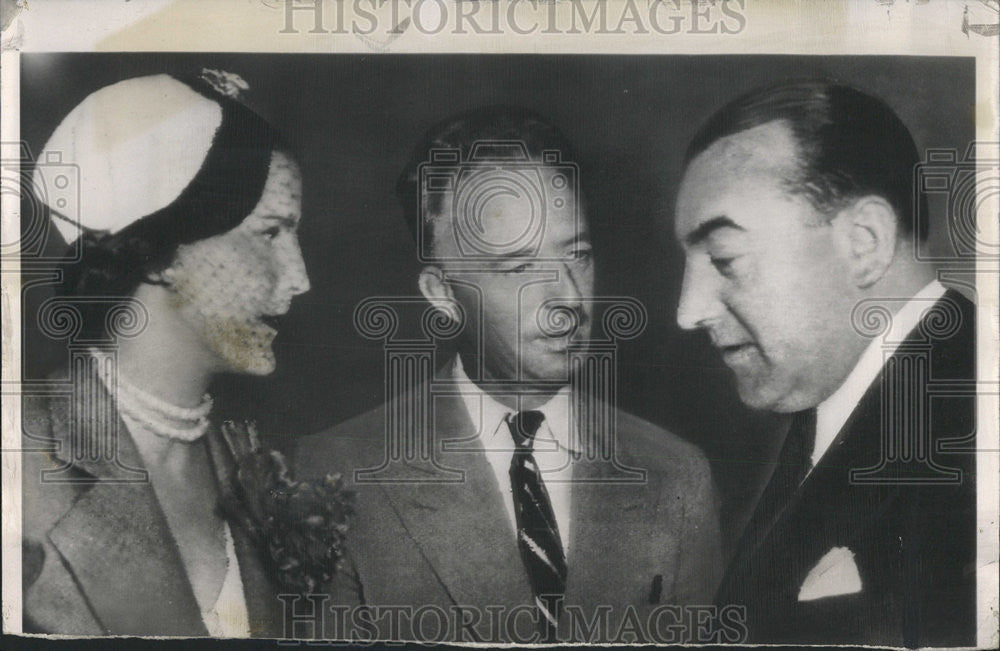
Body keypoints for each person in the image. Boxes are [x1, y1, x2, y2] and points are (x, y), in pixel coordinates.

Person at [293, 106, 722, 643]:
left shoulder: (675, 474)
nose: (567, 299)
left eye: (579, 255)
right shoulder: (336, 474)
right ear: (443, 294)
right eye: (519, 269)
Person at [21, 71, 347, 637]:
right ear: (158, 253)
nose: (300, 279)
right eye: (270, 234)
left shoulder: (257, 463)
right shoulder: (18, 460)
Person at [673, 80, 977, 646]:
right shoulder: (836, 407)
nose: (688, 311)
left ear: (864, 242)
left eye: (724, 257)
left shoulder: (973, 442)